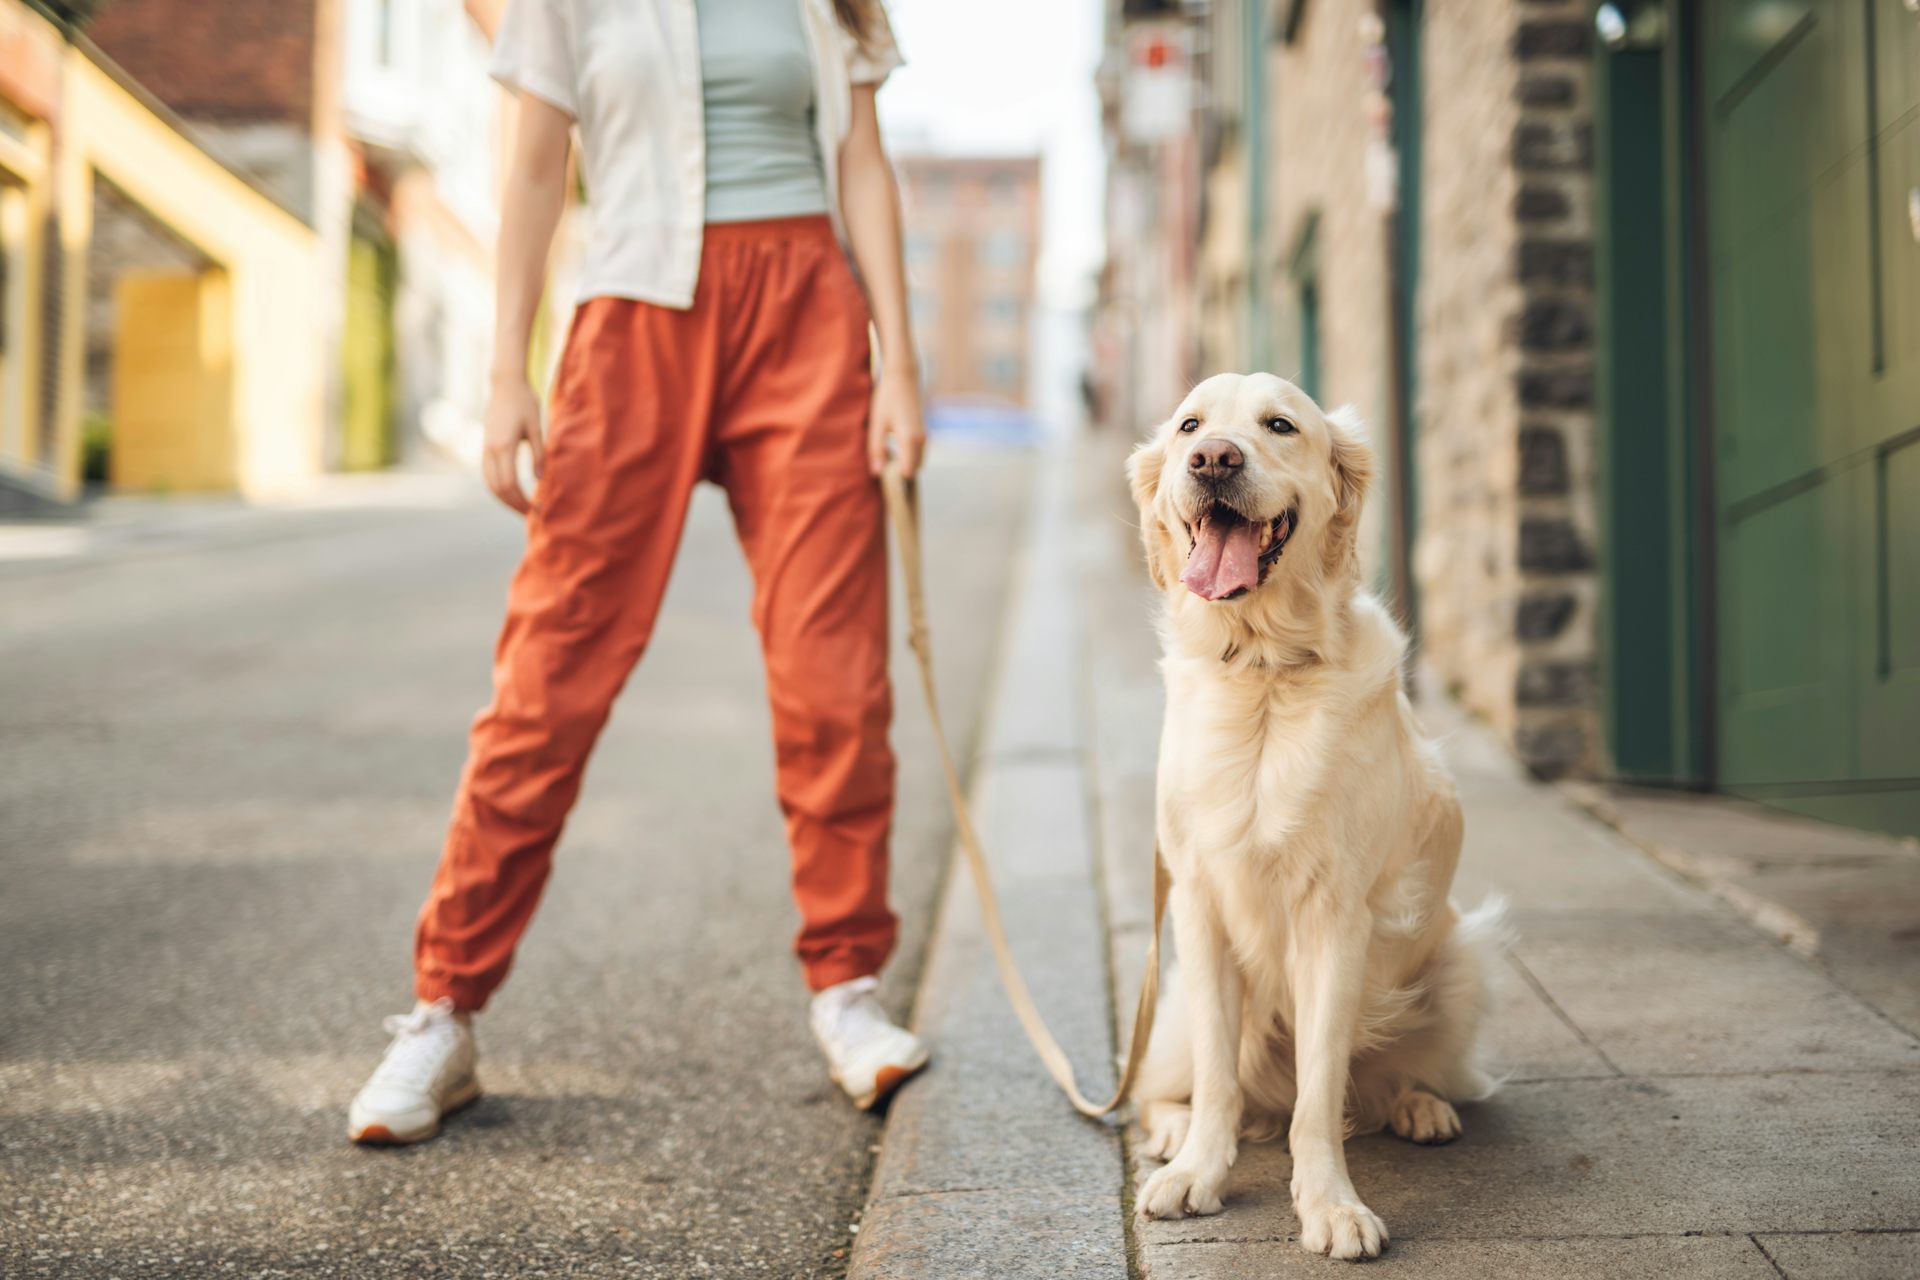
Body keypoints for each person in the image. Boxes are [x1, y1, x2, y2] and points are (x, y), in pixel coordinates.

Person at [347, 0, 929, 1145]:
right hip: (631, 323)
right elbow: (531, 166)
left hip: (810, 324)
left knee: (837, 681)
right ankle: (444, 1006)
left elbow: (863, 161)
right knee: (547, 679)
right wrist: (505, 374)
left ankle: (848, 986)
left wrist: (899, 364)